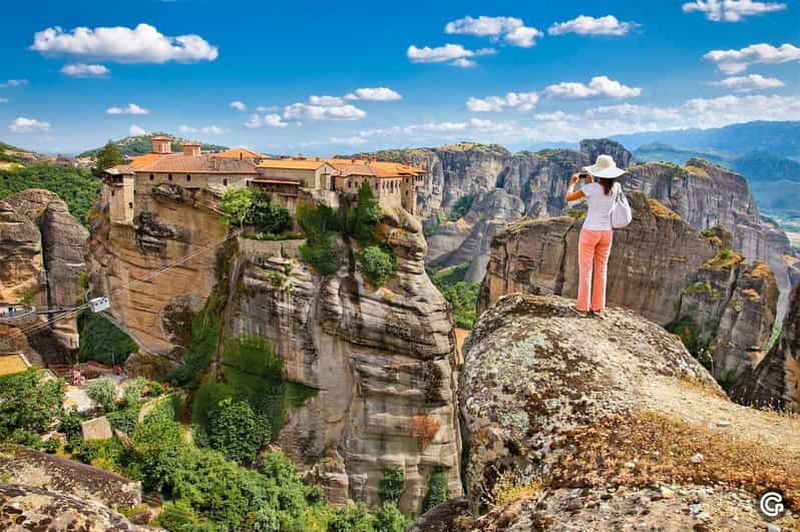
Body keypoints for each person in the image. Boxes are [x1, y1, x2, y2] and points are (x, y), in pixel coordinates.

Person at [564, 154, 626, 318]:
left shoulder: (591, 189)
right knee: (601, 270)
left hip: (589, 232)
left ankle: (582, 308)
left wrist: (573, 183)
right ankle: (598, 307)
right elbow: (600, 193)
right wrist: (591, 181)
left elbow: (569, 198)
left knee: (586, 270)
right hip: (606, 233)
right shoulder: (616, 187)